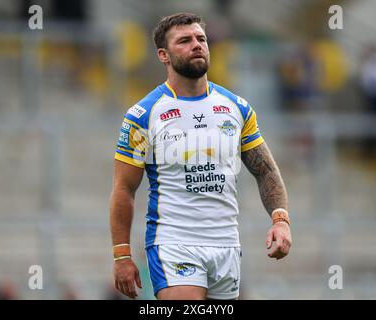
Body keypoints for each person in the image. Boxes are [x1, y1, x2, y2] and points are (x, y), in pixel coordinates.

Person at [109, 13, 291, 300]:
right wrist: (122, 256)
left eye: (200, 39)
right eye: (184, 41)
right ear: (163, 55)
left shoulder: (236, 108)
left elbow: (266, 170)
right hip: (173, 243)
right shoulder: (143, 115)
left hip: (226, 245)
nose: (196, 45)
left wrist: (281, 220)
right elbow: (124, 188)